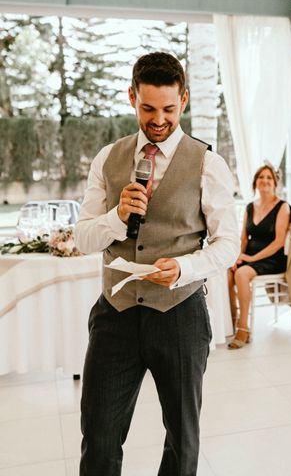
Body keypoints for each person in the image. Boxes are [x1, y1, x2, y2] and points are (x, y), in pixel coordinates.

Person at [74, 52, 239, 475]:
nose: (159, 119)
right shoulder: (107, 158)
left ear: (183, 100)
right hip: (116, 314)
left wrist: (184, 268)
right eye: (148, 108)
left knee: (182, 439)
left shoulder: (208, 164)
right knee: (99, 434)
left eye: (169, 108)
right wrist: (116, 218)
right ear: (132, 97)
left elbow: (227, 245)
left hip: (180, 314)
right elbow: (83, 237)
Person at [227, 164, 290, 349]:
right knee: (228, 272)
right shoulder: (249, 207)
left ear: (275, 183)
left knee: (241, 274)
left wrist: (251, 259)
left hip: (273, 258)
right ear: (255, 183)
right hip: (250, 256)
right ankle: (233, 319)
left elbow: (279, 242)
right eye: (261, 177)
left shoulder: (282, 207)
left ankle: (243, 329)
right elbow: (243, 239)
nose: (265, 180)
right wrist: (237, 257)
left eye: (269, 177)